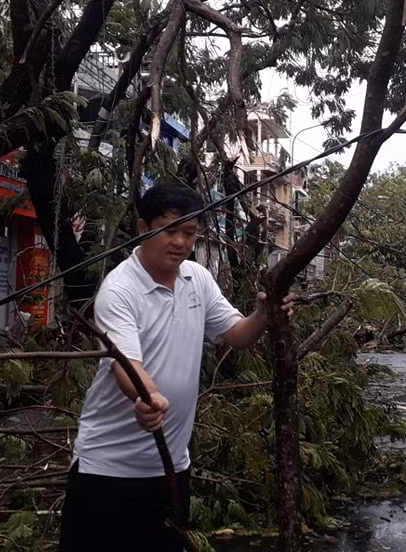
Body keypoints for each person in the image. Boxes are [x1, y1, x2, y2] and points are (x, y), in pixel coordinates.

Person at [58, 184, 295, 552]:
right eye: (170, 230)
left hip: (170, 470)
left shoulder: (196, 279)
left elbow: (236, 334)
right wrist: (149, 397)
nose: (181, 242)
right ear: (142, 228)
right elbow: (127, 363)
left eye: (190, 233)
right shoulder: (120, 289)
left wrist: (266, 313)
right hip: (106, 470)